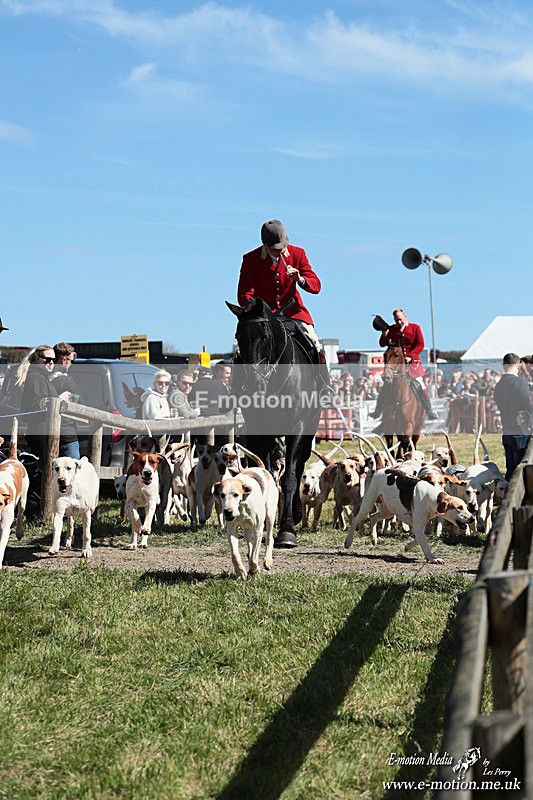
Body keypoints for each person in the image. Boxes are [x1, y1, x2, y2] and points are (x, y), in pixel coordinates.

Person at [237, 218, 323, 358]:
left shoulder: (297, 253)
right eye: (275, 249)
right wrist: (259, 311)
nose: (280, 251)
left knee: (315, 343)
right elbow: (244, 295)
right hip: (263, 317)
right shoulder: (250, 259)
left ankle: (322, 379)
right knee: (242, 350)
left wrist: (300, 279)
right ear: (264, 244)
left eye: (283, 247)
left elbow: (316, 285)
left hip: (294, 314)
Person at [370, 308, 437, 420]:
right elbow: (382, 344)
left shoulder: (415, 328)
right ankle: (378, 410)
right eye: (396, 320)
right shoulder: (391, 329)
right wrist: (384, 335)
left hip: (413, 365)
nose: (399, 322)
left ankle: (429, 410)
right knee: (385, 387)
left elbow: (420, 344)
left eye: (400, 319)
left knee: (420, 385)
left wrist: (411, 356)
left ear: (405, 316)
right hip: (397, 366)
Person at [16, 344, 71, 461]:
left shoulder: (40, 376)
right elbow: (37, 405)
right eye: (48, 359)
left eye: (53, 359)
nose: (51, 362)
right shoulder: (36, 377)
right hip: (41, 432)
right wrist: (58, 399)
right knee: (45, 471)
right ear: (37, 358)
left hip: (42, 431)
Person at [492, 353, 533, 480]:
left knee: (510, 469)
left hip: (507, 430)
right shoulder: (520, 382)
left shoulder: (498, 385)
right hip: (519, 430)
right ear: (519, 365)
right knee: (520, 470)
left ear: (503, 366)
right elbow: (526, 404)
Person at [52, 342, 81, 459]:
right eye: (70, 360)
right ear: (63, 360)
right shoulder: (67, 381)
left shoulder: (44, 378)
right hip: (67, 434)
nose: (71, 364)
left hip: (47, 434)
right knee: (74, 473)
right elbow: (79, 403)